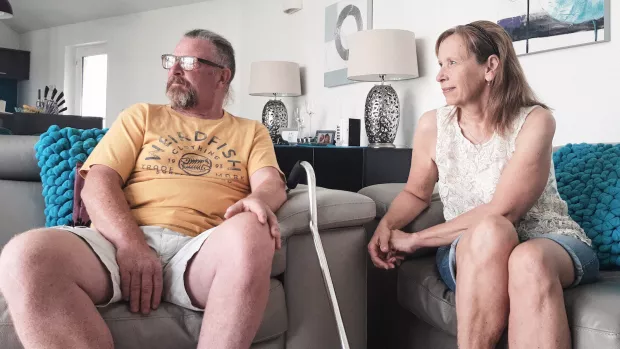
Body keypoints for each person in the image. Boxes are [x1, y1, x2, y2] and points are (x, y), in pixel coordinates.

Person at [0, 29, 287, 349]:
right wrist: (131, 245)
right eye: (171, 61)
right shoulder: (142, 116)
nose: (174, 70)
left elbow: (270, 182)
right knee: (23, 256)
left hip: (202, 251)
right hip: (118, 242)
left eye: (188, 62)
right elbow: (97, 183)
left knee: (253, 229)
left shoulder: (251, 132)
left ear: (222, 77)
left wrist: (258, 200)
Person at [368, 20, 598, 349]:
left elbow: (504, 209)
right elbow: (416, 193)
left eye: (452, 63)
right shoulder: (432, 125)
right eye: (440, 64)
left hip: (550, 243)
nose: (440, 75)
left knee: (524, 256)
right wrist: (387, 225)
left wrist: (415, 240)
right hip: (473, 250)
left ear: (490, 67)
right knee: (491, 232)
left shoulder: (535, 121)